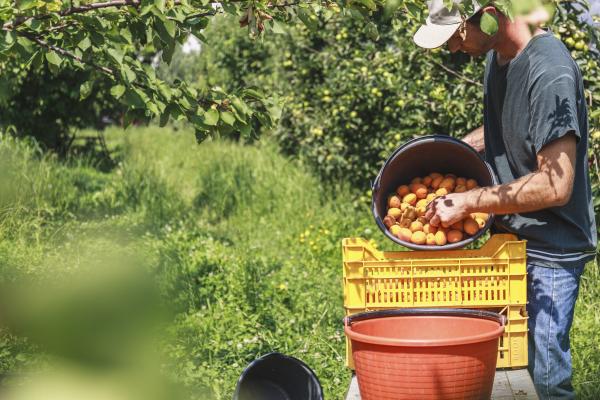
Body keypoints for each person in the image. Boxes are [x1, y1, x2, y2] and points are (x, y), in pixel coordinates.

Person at [413, 1, 598, 399]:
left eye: (457, 36)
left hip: (550, 248)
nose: (453, 50)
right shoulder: (498, 56)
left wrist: (470, 201)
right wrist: (450, 152)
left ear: (491, 12)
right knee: (510, 376)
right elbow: (504, 124)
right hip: (511, 238)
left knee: (544, 381)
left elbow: (556, 185)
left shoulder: (549, 72)